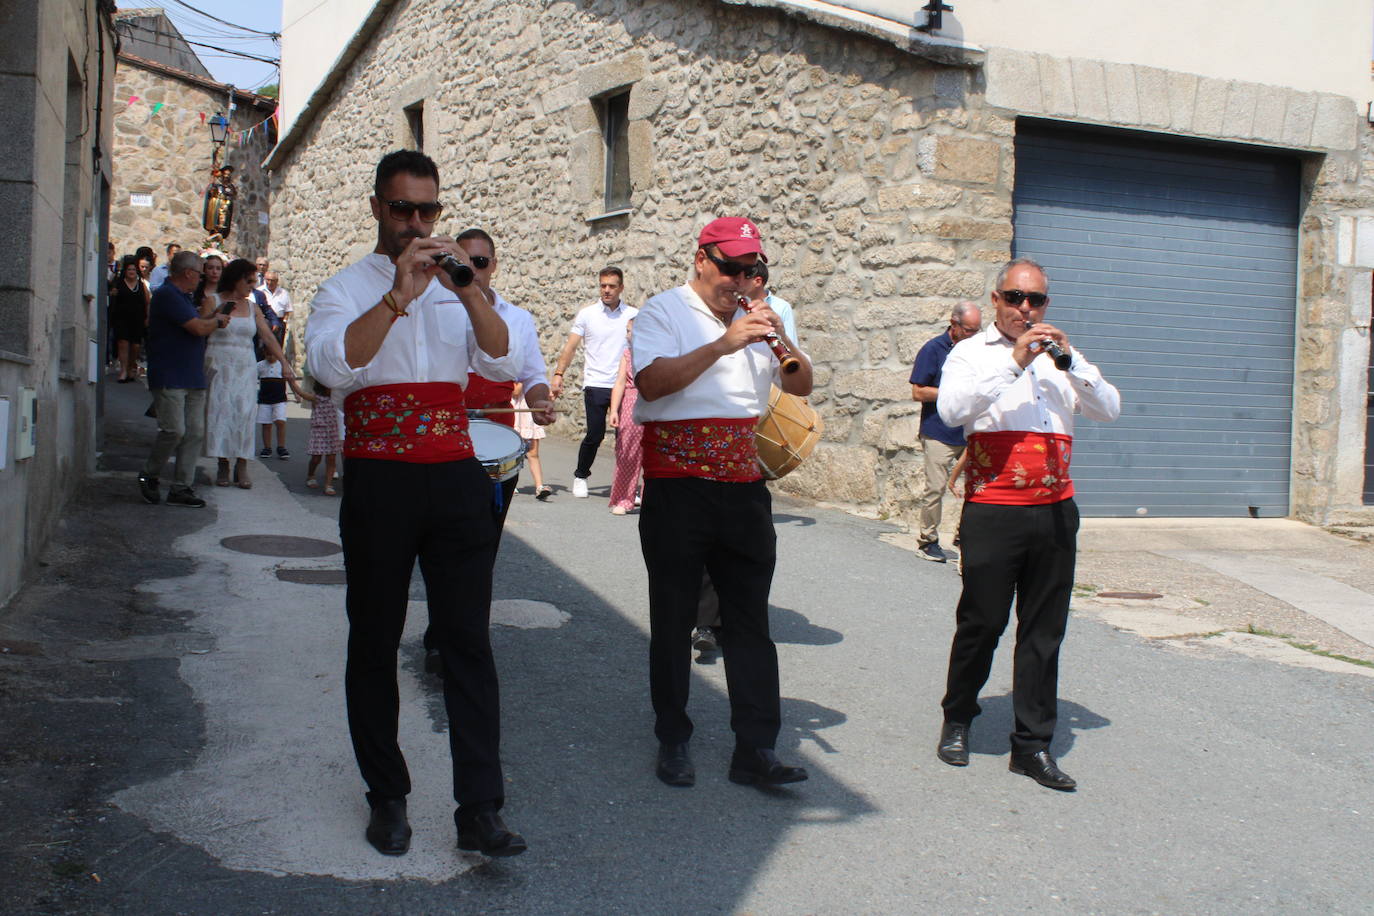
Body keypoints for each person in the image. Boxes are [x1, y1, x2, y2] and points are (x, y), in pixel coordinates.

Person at [305, 150, 528, 859]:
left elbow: (502, 361)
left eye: (428, 210)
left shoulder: (455, 283)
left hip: (456, 475)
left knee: (467, 641)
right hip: (380, 480)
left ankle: (481, 808)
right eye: (403, 209)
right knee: (374, 640)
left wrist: (466, 292)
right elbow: (332, 368)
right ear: (377, 207)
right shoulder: (345, 289)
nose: (417, 223)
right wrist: (399, 295)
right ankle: (387, 797)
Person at [633, 217, 813, 790]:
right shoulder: (664, 311)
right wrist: (724, 342)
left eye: (750, 269)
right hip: (678, 482)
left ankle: (756, 747)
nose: (741, 279)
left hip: (742, 484)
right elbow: (653, 383)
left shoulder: (762, 317)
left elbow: (801, 385)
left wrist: (779, 338)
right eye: (731, 267)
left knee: (749, 621)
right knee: (673, 613)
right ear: (701, 260)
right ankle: (673, 737)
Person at [934, 258, 1121, 791]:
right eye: (1015, 298)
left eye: (1036, 300)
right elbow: (951, 410)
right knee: (983, 621)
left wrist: (1071, 366)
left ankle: (1032, 746)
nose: (1025, 309)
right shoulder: (971, 354)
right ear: (995, 299)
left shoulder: (1065, 357)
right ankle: (959, 718)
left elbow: (1109, 408)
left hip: (1055, 509)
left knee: (1044, 632)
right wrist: (1014, 362)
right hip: (994, 508)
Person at [420, 226, 554, 675]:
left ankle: (466, 635)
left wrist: (539, 401)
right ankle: (442, 634)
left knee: (484, 546)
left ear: (493, 266)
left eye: (481, 262)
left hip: (496, 449)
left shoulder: (518, 318)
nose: (473, 270)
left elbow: (534, 372)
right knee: (443, 546)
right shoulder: (435, 310)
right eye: (465, 261)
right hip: (443, 442)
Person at [137, 250, 231, 507]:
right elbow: (198, 328)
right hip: (170, 374)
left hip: (190, 374)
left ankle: (181, 486)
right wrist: (217, 320)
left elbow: (198, 325)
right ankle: (149, 473)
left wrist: (212, 319)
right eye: (200, 273)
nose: (201, 279)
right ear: (189, 273)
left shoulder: (182, 297)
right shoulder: (168, 295)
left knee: (194, 433)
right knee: (174, 430)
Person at [202, 258, 294, 490]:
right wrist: (214, 318)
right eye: (249, 281)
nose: (253, 285)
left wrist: (284, 362)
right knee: (221, 411)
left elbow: (267, 336)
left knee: (243, 412)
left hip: (244, 364)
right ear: (236, 278)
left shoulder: (252, 307)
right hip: (218, 363)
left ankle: (242, 463)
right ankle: (223, 462)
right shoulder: (212, 301)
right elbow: (198, 327)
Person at [550, 267, 637, 498]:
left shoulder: (633, 315)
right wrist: (559, 374)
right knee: (595, 433)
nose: (607, 290)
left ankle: (626, 485)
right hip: (596, 382)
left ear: (621, 288)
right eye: (603, 285)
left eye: (612, 286)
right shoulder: (587, 314)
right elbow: (570, 347)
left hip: (626, 384)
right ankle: (580, 475)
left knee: (626, 437)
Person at [909, 301, 984, 563]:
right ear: (954, 324)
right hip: (938, 431)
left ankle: (965, 537)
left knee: (978, 489)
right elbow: (918, 391)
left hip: (969, 431)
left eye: (978, 330)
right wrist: (953, 395)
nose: (974, 335)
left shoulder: (979, 351)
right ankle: (927, 540)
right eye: (969, 330)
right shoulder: (933, 348)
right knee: (936, 489)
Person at [607, 320, 642, 515]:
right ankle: (623, 498)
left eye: (631, 332)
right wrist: (614, 410)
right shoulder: (626, 355)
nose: (628, 335)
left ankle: (651, 500)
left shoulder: (657, 354)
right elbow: (619, 382)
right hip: (630, 403)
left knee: (653, 455)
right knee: (627, 452)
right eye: (626, 331)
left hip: (652, 402)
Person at [257, 351, 308, 460]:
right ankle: (267, 447)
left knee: (280, 422)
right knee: (266, 424)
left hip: (279, 399)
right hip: (264, 400)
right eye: (268, 354)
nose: (270, 356)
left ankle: (281, 447)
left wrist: (296, 394)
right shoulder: (260, 365)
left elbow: (291, 381)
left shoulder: (283, 365)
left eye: (273, 354)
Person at [109, 256, 150, 384]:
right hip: (122, 318)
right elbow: (112, 298)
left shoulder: (141, 285)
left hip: (137, 319)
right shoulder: (119, 284)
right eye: (129, 269)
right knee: (123, 343)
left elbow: (147, 302)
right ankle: (123, 370)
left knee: (135, 346)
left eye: (133, 269)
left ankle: (131, 366)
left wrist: (147, 317)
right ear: (125, 271)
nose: (131, 272)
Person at [302, 380, 341, 495]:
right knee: (316, 458)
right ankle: (310, 475)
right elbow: (302, 393)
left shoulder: (338, 398)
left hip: (333, 430)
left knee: (331, 458)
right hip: (319, 430)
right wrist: (291, 382)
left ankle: (328, 485)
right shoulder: (317, 398)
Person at [742, 261, 796, 341]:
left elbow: (791, 344)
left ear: (758, 281)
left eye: (744, 278)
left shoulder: (782, 307)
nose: (738, 282)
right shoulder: (736, 305)